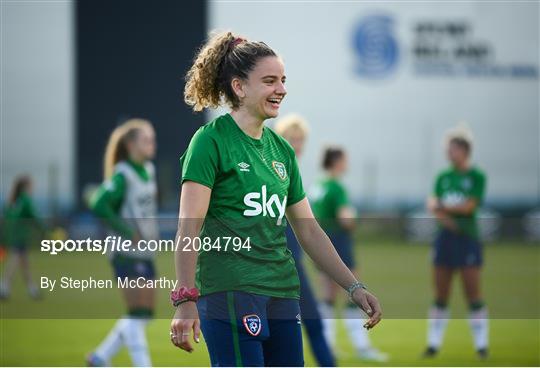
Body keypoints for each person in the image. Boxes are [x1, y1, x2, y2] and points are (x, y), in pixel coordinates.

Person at [169, 31, 382, 367]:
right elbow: (188, 227)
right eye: (269, 81)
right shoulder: (210, 142)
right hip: (230, 291)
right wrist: (184, 298)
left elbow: (309, 232)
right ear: (239, 87)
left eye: (282, 80)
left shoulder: (281, 150)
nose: (281, 89)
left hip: (282, 294)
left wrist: (354, 287)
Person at [87, 119, 158, 367]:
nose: (152, 144)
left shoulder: (149, 169)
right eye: (146, 139)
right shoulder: (123, 173)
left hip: (145, 252)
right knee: (137, 314)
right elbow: (99, 204)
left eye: (152, 139)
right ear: (130, 145)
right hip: (126, 252)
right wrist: (127, 231)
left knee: (144, 315)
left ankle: (100, 357)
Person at [310, 147, 388, 362]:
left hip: (320, 244)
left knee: (327, 296)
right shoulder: (336, 187)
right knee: (354, 292)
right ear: (336, 162)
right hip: (339, 243)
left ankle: (328, 343)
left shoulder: (319, 185)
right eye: (345, 160)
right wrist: (354, 219)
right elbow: (346, 219)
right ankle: (362, 347)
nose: (347, 164)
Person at [274, 114, 336, 367]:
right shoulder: (273, 171)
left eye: (300, 140)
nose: (296, 145)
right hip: (271, 263)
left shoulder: (292, 171)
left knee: (313, 323)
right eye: (291, 139)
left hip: (293, 264)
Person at [423, 124, 488, 359]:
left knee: (473, 293)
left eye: (453, 149)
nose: (449, 154)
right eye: (448, 150)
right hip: (445, 239)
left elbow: (470, 206)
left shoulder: (476, 176)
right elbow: (435, 208)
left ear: (465, 150)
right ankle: (433, 344)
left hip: (467, 239)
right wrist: (446, 212)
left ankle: (481, 345)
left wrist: (443, 208)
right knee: (441, 294)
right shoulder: (443, 177)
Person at [0, 175, 43, 300]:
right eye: (31, 186)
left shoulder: (13, 199)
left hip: (12, 233)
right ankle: (4, 286)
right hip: (20, 235)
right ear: (26, 187)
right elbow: (35, 217)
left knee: (24, 263)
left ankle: (32, 289)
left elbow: (6, 215)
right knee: (15, 260)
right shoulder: (26, 200)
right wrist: (46, 231)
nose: (33, 188)